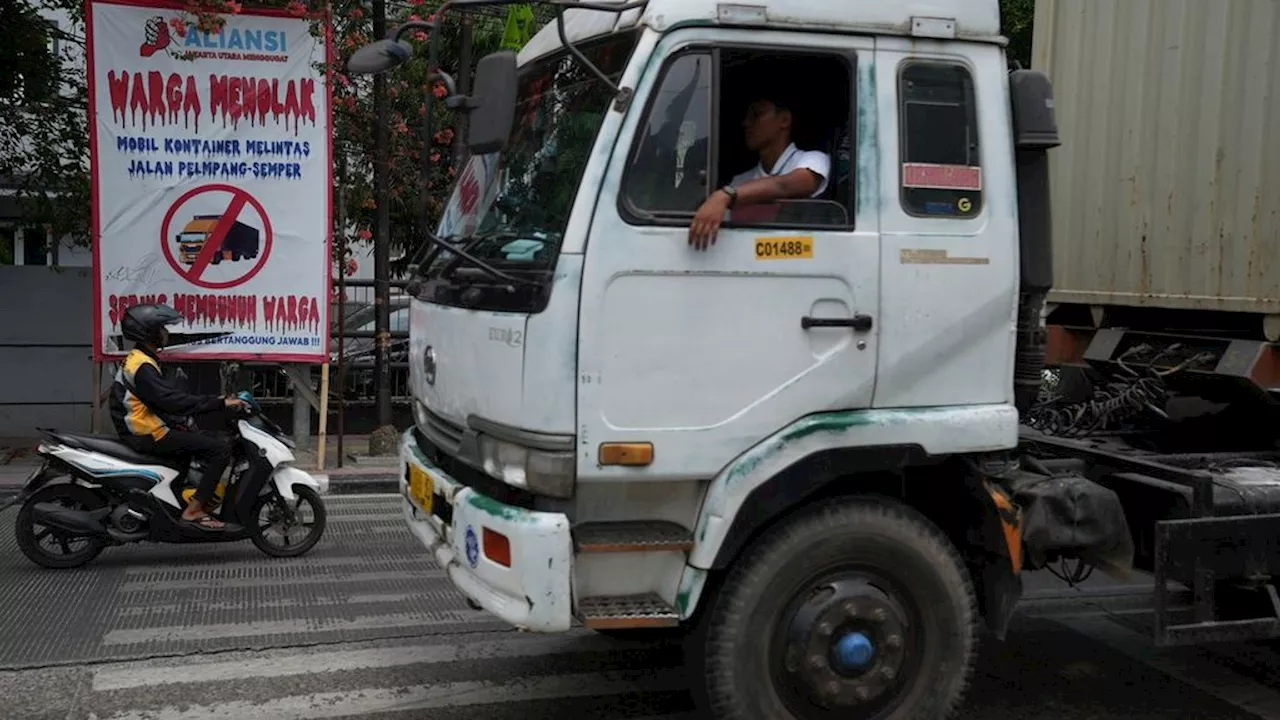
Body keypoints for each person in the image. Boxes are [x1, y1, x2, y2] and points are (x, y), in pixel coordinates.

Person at [109, 304, 245, 530]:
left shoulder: (140, 359)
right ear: (149, 332)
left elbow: (163, 400)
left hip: (144, 428)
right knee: (219, 450)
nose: (167, 333)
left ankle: (175, 503)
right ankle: (193, 511)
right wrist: (219, 403)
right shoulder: (142, 366)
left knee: (195, 441)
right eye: (162, 328)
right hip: (146, 432)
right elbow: (171, 402)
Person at [688, 90, 831, 250]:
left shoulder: (813, 160)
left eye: (756, 114)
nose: (746, 123)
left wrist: (725, 196)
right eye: (746, 117)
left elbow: (789, 185)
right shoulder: (740, 181)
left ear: (784, 120)